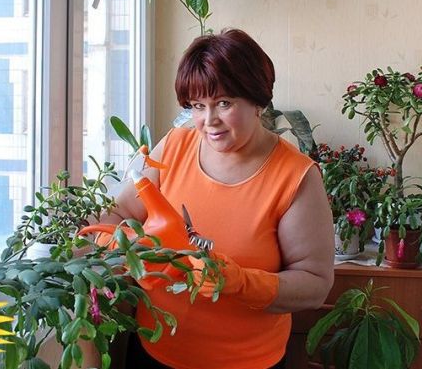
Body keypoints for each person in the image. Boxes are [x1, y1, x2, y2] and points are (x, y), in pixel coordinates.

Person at [107, 29, 335, 369]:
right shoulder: (175, 146)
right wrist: (120, 245)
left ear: (257, 100)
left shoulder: (296, 175)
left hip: (246, 361)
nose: (209, 121)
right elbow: (119, 212)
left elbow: (315, 284)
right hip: (155, 351)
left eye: (224, 103)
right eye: (198, 106)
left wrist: (239, 282)